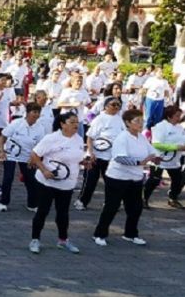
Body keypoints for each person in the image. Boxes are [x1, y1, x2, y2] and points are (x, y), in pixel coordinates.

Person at [92, 109, 160, 247]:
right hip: (117, 177)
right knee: (112, 206)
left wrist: (157, 157)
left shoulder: (141, 137)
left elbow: (152, 151)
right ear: (128, 123)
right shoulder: (122, 137)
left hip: (135, 178)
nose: (140, 124)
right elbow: (120, 157)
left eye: (142, 121)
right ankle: (99, 234)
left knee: (136, 207)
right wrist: (140, 162)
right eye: (137, 121)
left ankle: (130, 234)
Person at [27, 112, 84, 254]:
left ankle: (63, 240)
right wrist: (44, 170)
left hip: (67, 184)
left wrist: (84, 162)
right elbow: (34, 155)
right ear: (62, 124)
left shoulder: (78, 139)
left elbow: (76, 158)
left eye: (77, 122)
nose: (76, 125)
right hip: (47, 182)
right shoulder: (51, 138)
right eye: (72, 122)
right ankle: (35, 240)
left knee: (63, 213)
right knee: (43, 211)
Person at [75, 97, 125, 211]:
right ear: (106, 106)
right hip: (97, 155)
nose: (116, 107)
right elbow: (90, 137)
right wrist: (90, 152)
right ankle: (82, 201)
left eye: (118, 105)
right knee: (90, 181)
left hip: (111, 157)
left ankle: (110, 203)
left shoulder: (119, 120)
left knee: (111, 182)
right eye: (113, 104)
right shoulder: (100, 119)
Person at [0, 102, 45, 212]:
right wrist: (1, 151)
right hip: (11, 154)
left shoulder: (40, 128)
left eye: (38, 112)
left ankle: (32, 204)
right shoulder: (16, 123)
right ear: (27, 113)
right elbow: (2, 137)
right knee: (8, 178)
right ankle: (3, 202)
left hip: (27, 156)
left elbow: (40, 146)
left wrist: (34, 158)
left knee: (31, 180)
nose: (36, 114)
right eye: (34, 112)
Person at [145, 105, 185, 208]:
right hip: (159, 159)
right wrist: (175, 147)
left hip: (174, 161)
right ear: (169, 116)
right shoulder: (160, 127)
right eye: (177, 116)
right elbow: (156, 144)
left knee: (178, 180)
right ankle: (143, 199)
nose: (179, 118)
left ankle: (173, 198)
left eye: (180, 116)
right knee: (154, 180)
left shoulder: (180, 128)